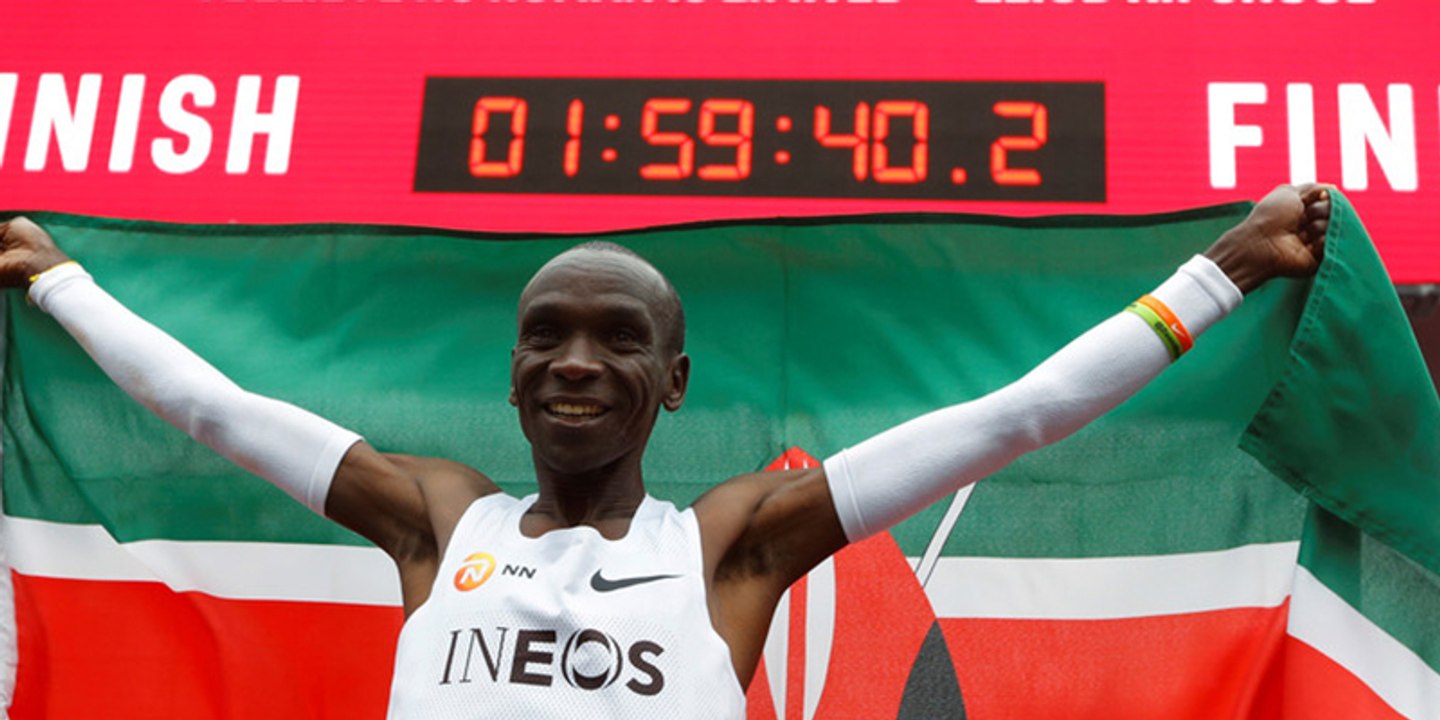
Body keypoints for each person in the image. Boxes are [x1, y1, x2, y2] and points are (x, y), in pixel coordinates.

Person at [1, 184, 1331, 717]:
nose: (576, 359)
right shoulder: (436, 522)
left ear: (674, 383)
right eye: (546, 337)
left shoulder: (732, 546)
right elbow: (212, 408)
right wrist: (55, 281)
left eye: (616, 340)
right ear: (514, 376)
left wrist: (1222, 271)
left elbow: (1012, 416)